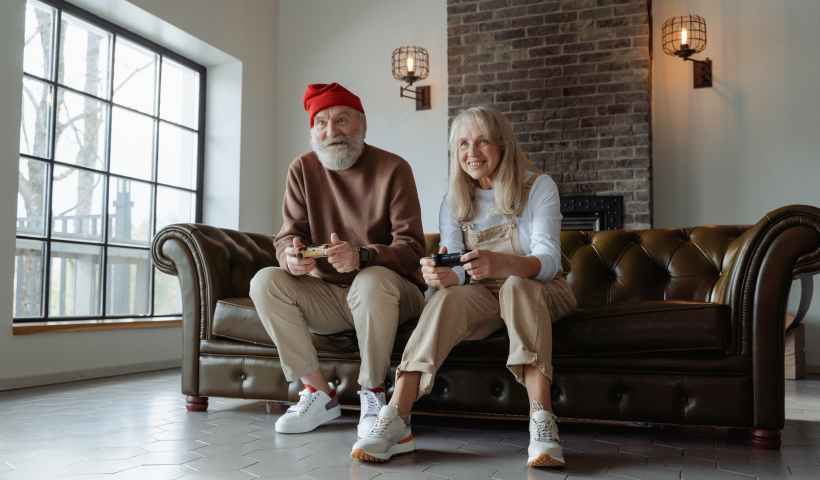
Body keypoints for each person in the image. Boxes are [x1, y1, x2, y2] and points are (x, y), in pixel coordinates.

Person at [351, 106, 577, 468]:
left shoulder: (538, 186)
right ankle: (396, 418)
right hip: (485, 292)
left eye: (482, 141)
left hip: (538, 287)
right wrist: (442, 276)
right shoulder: (454, 199)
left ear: (502, 145)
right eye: (463, 144)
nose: (472, 152)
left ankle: (542, 422)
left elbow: (549, 262)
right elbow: (458, 270)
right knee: (445, 300)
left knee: (517, 286)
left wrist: (502, 263)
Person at [249, 82, 426, 439]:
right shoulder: (302, 168)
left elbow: (412, 249)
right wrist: (291, 256)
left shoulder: (394, 168)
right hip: (332, 296)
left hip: (392, 293)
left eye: (342, 120)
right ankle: (318, 393)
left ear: (362, 123)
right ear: (313, 130)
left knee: (370, 279)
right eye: (322, 123)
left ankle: (373, 393)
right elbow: (286, 234)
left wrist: (362, 256)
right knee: (264, 281)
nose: (332, 132)